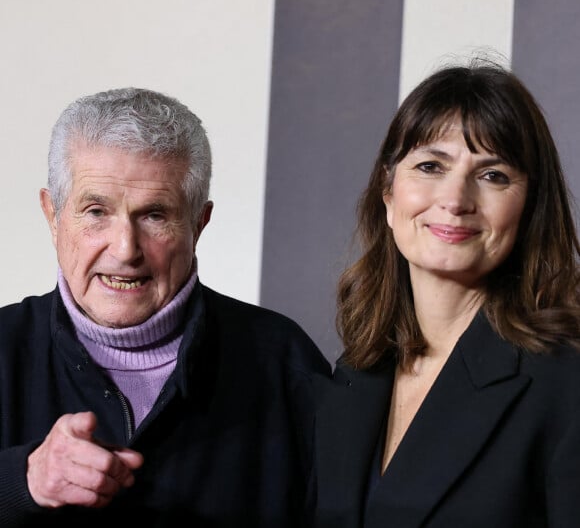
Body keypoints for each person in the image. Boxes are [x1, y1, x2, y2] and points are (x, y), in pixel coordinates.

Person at [0, 87, 330, 526]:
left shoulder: (284, 361)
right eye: (96, 211)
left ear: (200, 222)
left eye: (154, 215)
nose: (125, 249)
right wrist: (22, 481)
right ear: (53, 215)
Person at [313, 60, 580, 527]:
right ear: (388, 193)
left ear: (530, 206)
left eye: (493, 175)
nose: (455, 200)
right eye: (430, 166)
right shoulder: (354, 375)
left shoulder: (566, 386)